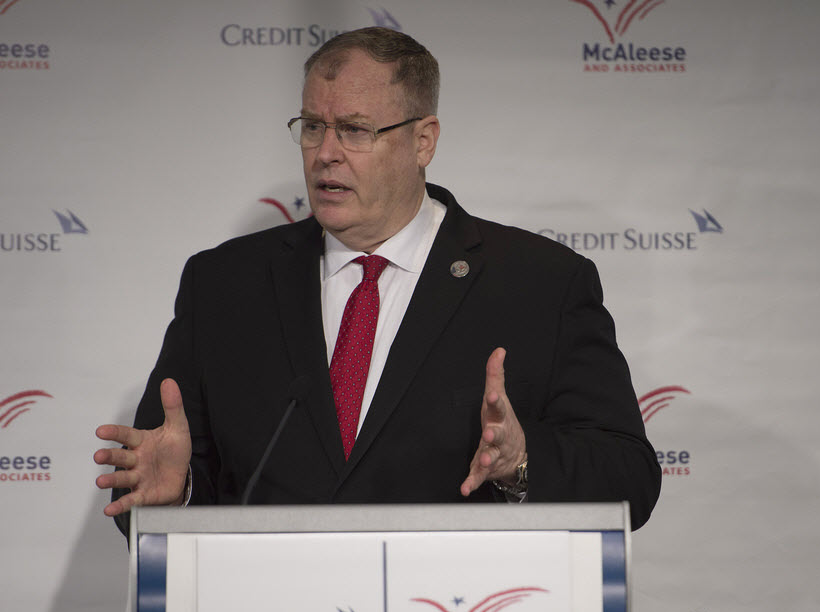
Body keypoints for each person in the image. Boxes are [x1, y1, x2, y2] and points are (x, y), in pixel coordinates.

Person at [93, 27, 660, 531]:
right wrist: (174, 498)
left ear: (423, 141)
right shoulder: (223, 283)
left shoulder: (540, 283)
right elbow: (161, 476)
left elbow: (631, 481)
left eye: (355, 130)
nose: (325, 154)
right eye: (312, 127)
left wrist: (522, 463)